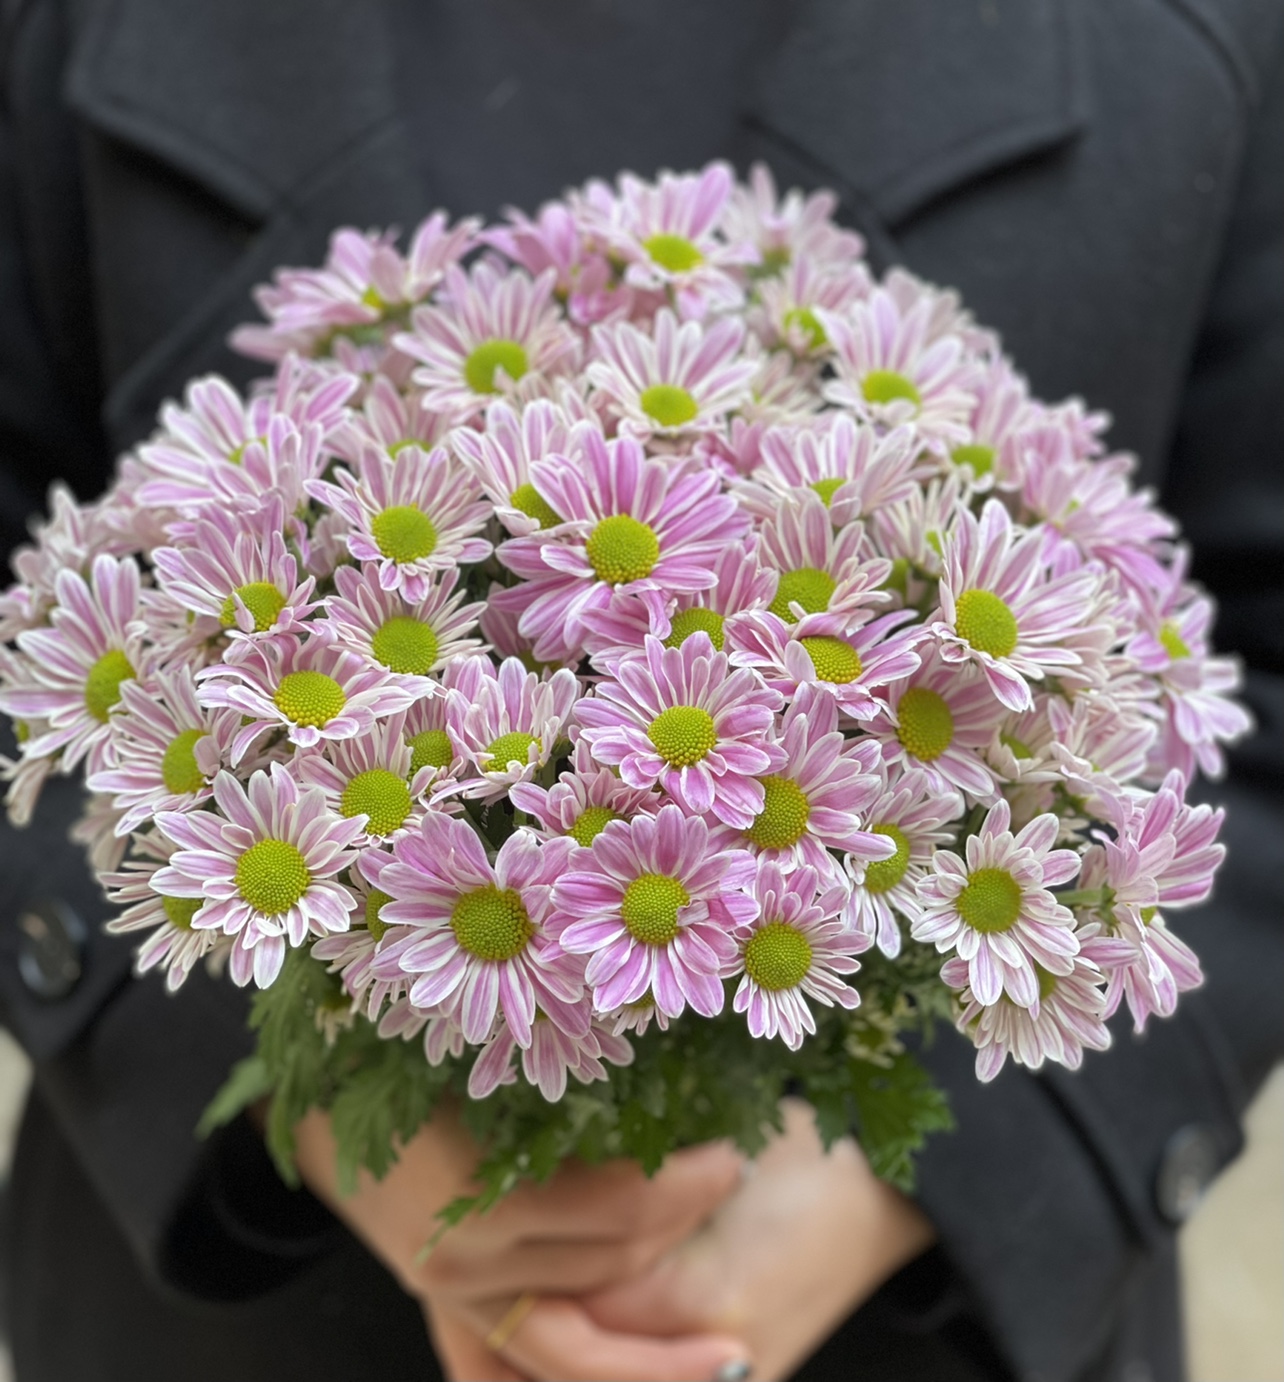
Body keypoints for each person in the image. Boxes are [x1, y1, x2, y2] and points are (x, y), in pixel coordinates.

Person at [1, 2, 1281, 1379]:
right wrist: (293, 1086)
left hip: (917, 1328)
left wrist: (941, 1173)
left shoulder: (1201, 34)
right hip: (247, 1306)